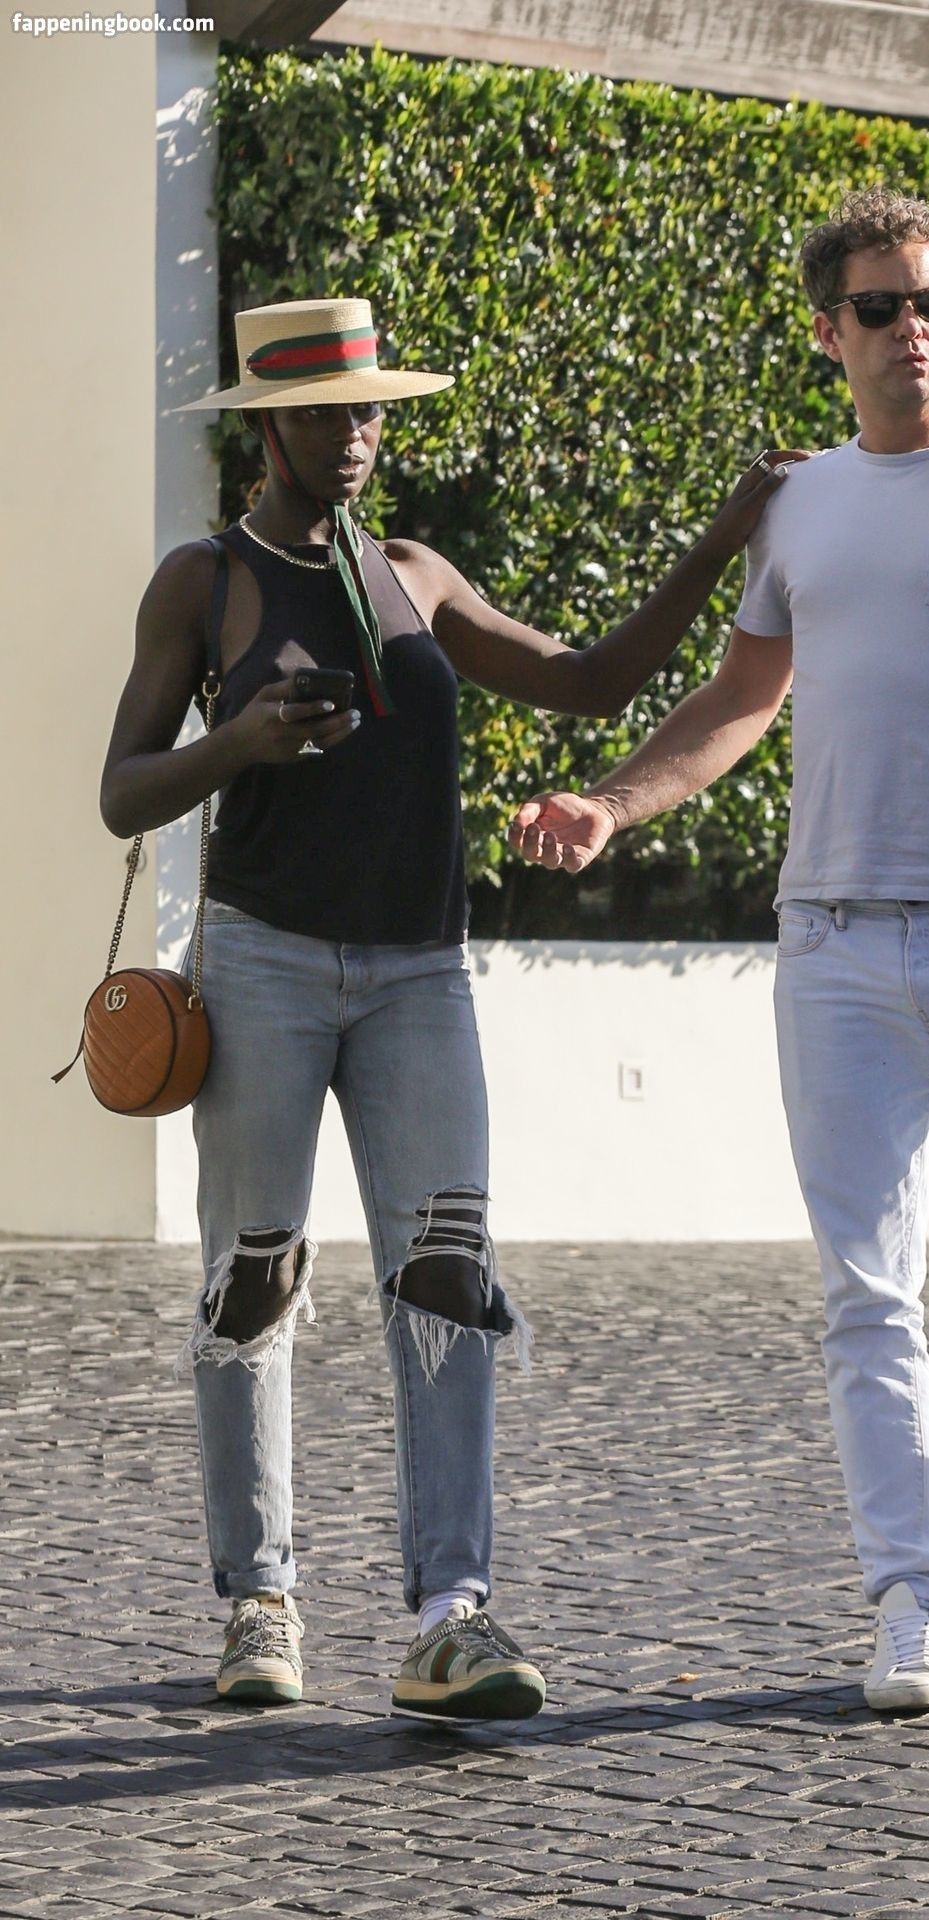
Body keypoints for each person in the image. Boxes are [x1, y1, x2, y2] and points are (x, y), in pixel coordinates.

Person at [507, 188, 929, 1711]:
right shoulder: (800, 507)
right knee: (868, 1292)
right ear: (829, 332)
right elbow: (742, 700)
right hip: (835, 950)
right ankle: (908, 1605)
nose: (912, 329)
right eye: (881, 307)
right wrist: (610, 805)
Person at [100, 296, 798, 1717]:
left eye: (371, 410)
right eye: (328, 413)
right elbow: (122, 790)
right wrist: (242, 740)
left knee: (451, 1282)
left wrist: (727, 537)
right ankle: (258, 1603)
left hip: (421, 970)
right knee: (253, 1276)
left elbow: (592, 683)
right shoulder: (205, 582)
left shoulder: (414, 573)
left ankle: (450, 1617)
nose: (357, 434)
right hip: (263, 963)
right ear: (269, 429)